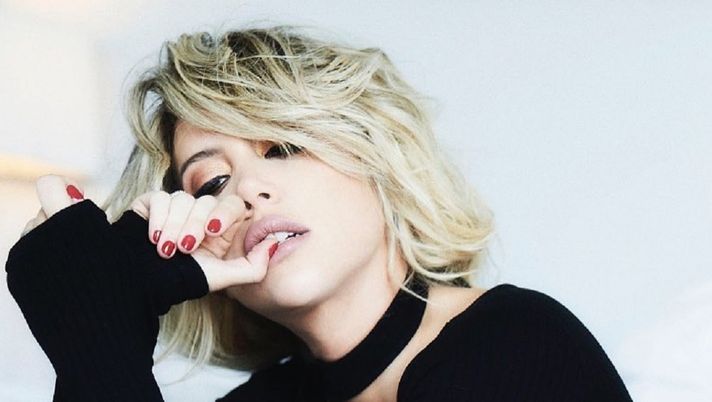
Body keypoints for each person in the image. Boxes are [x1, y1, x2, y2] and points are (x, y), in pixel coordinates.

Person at [5, 26, 633, 401]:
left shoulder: (516, 343)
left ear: (375, 156)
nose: (248, 190)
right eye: (212, 181)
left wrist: (97, 338)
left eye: (282, 148)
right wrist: (106, 310)